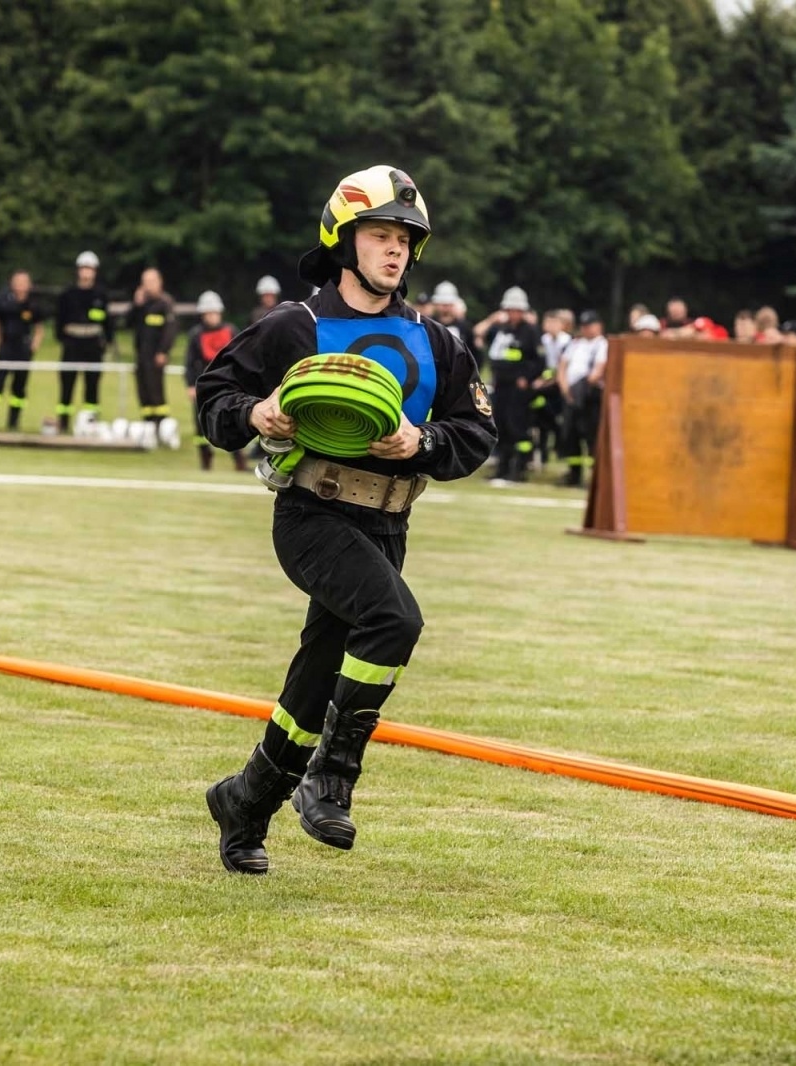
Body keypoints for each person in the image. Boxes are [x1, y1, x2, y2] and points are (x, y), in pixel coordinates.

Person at [194, 164, 495, 876]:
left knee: (313, 682)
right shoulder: (292, 326)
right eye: (381, 235)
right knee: (395, 621)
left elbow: (477, 433)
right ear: (343, 238)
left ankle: (245, 803)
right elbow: (214, 398)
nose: (395, 251)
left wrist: (422, 442)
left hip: (389, 524)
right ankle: (333, 776)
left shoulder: (439, 340)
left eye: (406, 240)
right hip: (311, 513)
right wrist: (255, 413)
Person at [475, 286, 543, 482]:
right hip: (501, 386)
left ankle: (519, 469)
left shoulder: (530, 332)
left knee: (518, 428)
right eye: (510, 310)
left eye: (516, 310)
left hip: (518, 389)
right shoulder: (501, 329)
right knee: (501, 427)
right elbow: (479, 335)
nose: (513, 314)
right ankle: (502, 468)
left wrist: (526, 378)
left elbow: (538, 360)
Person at [0, 270, 43, 431]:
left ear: (29, 285)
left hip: (23, 350)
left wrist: (34, 345)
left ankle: (13, 423)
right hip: (6, 348)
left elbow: (39, 328)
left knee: (19, 388)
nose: (20, 285)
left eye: (24, 282)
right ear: (12, 284)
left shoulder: (33, 305)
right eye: (17, 282)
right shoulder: (2, 301)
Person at [182, 290, 243, 471]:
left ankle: (239, 461)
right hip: (204, 385)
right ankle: (205, 460)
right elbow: (189, 362)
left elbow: (241, 357)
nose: (212, 316)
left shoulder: (231, 331)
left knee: (233, 422)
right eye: (208, 313)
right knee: (200, 425)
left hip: (228, 384)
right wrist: (190, 385)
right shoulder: (196, 335)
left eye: (214, 312)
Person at [54, 251, 111, 433]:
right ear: (78, 270)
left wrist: (106, 341)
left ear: (95, 271)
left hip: (93, 344)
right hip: (72, 343)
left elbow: (106, 321)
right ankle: (63, 422)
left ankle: (90, 423)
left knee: (92, 385)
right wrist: (63, 339)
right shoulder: (68, 294)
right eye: (84, 268)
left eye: (90, 269)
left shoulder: (100, 295)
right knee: (67, 384)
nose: (87, 273)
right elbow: (59, 320)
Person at [556, 309, 607, 486]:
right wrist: (565, 389)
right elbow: (562, 366)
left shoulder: (602, 345)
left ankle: (595, 477)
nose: (586, 329)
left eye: (590, 325)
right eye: (584, 326)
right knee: (571, 436)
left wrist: (580, 389)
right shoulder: (575, 344)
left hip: (590, 396)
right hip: (571, 395)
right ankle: (574, 474)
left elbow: (598, 371)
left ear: (598, 326)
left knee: (592, 437)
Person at [131, 267, 177, 428]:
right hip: (141, 355)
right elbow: (128, 323)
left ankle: (162, 424)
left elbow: (170, 331)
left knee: (156, 390)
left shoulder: (165, 303)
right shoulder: (142, 305)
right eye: (145, 282)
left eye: (151, 281)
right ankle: (148, 424)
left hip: (156, 355)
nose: (148, 286)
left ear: (159, 282)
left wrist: (163, 351)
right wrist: (136, 305)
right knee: (143, 390)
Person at [534, 308, 573, 466]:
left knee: (557, 418)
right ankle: (542, 451)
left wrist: (548, 380)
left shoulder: (567, 341)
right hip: (545, 384)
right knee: (541, 417)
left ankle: (559, 445)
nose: (550, 326)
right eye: (548, 322)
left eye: (553, 322)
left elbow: (562, 367)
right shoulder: (544, 340)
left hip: (560, 384)